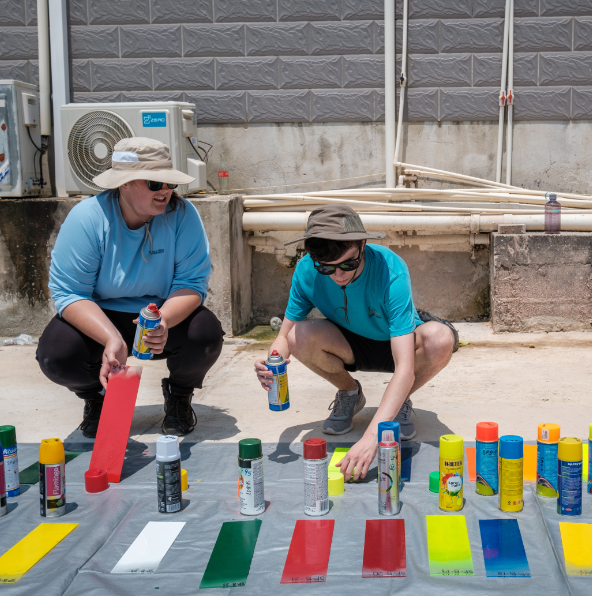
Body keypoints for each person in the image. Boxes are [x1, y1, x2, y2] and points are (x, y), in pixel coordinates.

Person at [254, 204, 458, 481]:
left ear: (362, 244)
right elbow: (283, 335)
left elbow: (405, 368)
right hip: (348, 342)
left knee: (440, 338)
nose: (339, 275)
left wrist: (372, 437)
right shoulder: (305, 271)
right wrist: (272, 362)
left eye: (348, 264)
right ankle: (350, 393)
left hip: (395, 342)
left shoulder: (390, 269)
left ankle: (398, 404)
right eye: (326, 267)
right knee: (295, 335)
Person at [36, 137, 224, 437]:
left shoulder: (183, 215)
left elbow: (191, 284)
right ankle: (95, 398)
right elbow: (69, 293)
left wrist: (162, 321)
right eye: (154, 183)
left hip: (160, 312)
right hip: (102, 314)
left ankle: (179, 395)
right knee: (56, 354)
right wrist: (112, 339)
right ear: (124, 183)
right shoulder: (88, 218)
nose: (165, 191)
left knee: (205, 335)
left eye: (169, 183)